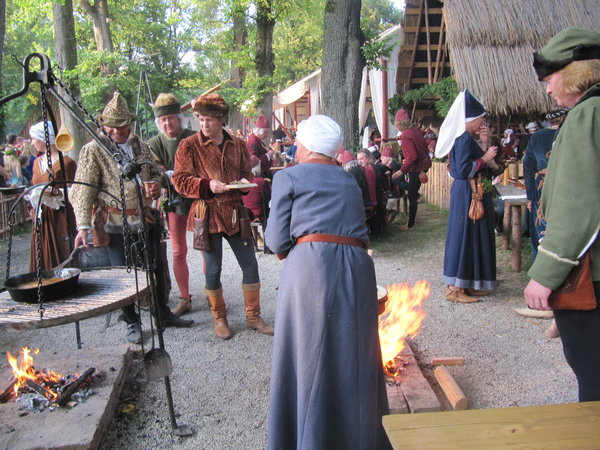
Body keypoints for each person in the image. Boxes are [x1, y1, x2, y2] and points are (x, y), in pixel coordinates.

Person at [265, 114, 391, 450]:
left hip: (311, 268)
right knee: (355, 354)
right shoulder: (350, 178)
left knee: (307, 353)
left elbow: (275, 240)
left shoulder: (287, 177)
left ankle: (309, 440)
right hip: (358, 267)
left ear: (304, 145)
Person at [71, 92, 193, 344]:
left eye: (122, 126)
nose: (117, 132)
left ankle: (162, 314)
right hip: (115, 224)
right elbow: (83, 190)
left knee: (155, 269)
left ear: (130, 124)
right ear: (104, 126)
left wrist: (157, 186)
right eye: (112, 127)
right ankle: (131, 323)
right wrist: (83, 225)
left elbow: (154, 172)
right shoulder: (94, 150)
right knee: (123, 276)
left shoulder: (140, 144)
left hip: (146, 218)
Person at [525, 27, 600, 401]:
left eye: (550, 78)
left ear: (575, 72)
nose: (548, 89)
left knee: (595, 381)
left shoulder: (588, 115)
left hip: (593, 278)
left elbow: (580, 207)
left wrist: (546, 274)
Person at [172, 93, 273, 339]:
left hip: (235, 212)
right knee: (213, 269)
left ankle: (253, 316)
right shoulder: (189, 145)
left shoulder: (237, 144)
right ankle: (219, 318)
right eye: (200, 119)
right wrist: (207, 185)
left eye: (209, 120)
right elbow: (180, 181)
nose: (204, 125)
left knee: (250, 263)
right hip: (206, 213)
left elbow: (245, 173)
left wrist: (245, 183)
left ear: (221, 120)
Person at [435, 90, 498, 303]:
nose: (482, 121)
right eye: (480, 118)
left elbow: (474, 161)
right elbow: (461, 171)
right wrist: (485, 158)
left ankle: (467, 283)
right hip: (465, 194)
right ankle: (454, 288)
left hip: (472, 192)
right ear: (470, 119)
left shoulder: (466, 138)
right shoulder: (462, 139)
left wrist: (483, 143)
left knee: (471, 237)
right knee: (462, 237)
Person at [147, 93, 196, 317]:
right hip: (173, 201)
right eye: (163, 119)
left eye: (171, 118)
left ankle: (214, 296)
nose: (168, 123)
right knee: (178, 252)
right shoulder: (154, 144)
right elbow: (153, 172)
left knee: (206, 248)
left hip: (197, 199)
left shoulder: (194, 137)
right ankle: (185, 298)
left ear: (179, 118)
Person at [27, 121, 77, 271]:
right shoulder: (36, 163)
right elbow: (34, 185)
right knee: (42, 250)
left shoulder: (66, 163)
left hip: (60, 214)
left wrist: (55, 194)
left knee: (62, 250)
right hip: (42, 215)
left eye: (33, 138)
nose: (32, 142)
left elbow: (74, 190)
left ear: (44, 138)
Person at [522, 112, 563, 260]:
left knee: (541, 232)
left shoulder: (538, 136)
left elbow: (528, 167)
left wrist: (530, 198)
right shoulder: (570, 133)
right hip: (566, 187)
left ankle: (540, 272)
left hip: (543, 188)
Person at [392, 108, 432, 229]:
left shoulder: (406, 135)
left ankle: (411, 224)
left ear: (398, 124)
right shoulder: (415, 131)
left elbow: (412, 157)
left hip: (417, 168)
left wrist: (401, 170)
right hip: (422, 166)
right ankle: (416, 195)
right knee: (412, 193)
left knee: (408, 193)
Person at [246, 114, 272, 178]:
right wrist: (267, 155)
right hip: (257, 175)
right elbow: (253, 162)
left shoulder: (258, 140)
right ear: (259, 131)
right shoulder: (253, 141)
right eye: (265, 132)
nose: (267, 135)